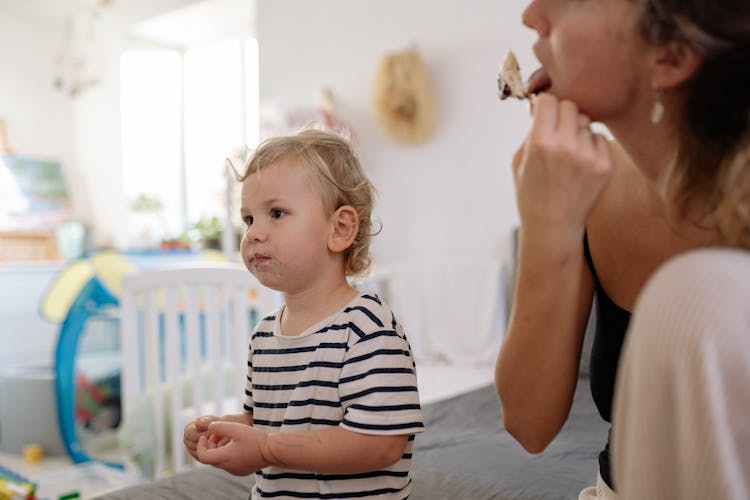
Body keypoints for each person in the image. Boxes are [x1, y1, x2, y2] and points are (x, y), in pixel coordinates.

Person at [494, 0, 749, 497]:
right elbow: (528, 425)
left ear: (671, 56)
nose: (531, 14)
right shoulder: (587, 189)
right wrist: (548, 230)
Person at [183, 127, 424, 499]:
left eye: (276, 213)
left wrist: (265, 448)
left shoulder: (367, 330)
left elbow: (380, 445)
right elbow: (264, 421)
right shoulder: (264, 334)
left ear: (340, 229)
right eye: (248, 219)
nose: (254, 234)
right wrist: (221, 429)